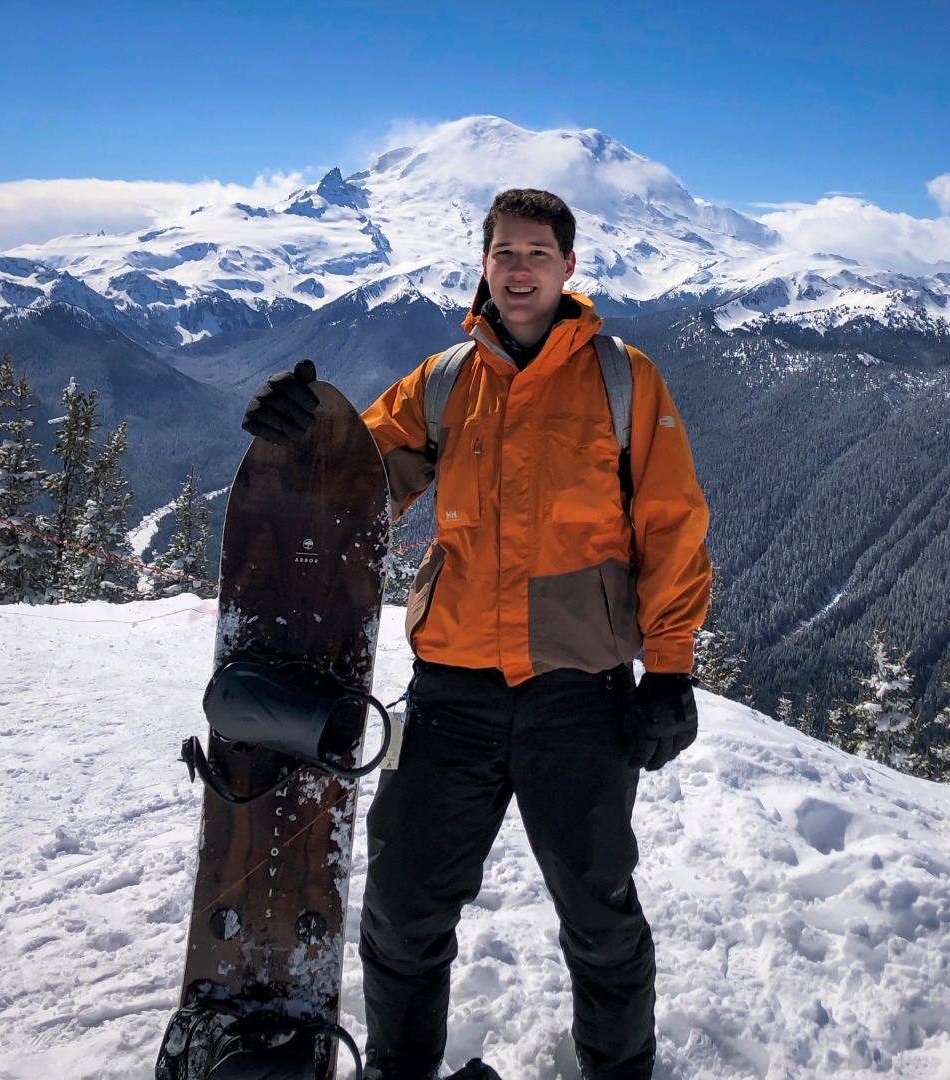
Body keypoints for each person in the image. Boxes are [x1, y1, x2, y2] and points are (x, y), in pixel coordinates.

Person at [242, 188, 711, 1080]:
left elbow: (671, 522)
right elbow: (358, 485)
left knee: (598, 912)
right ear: (484, 266)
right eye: (504, 252)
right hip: (452, 687)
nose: (520, 267)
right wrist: (295, 433)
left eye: (537, 251)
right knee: (402, 905)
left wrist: (670, 669)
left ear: (569, 267)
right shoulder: (445, 381)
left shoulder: (623, 378)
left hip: (579, 692)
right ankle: (399, 1068)